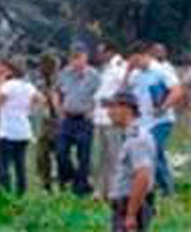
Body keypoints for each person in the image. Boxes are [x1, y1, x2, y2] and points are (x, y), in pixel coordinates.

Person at [125, 44, 183, 195]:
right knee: (154, 153)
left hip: (161, 120)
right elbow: (124, 89)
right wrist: (127, 71)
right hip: (143, 121)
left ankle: (165, 189)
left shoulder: (161, 70)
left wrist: (163, 107)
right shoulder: (136, 74)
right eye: (132, 62)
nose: (135, 65)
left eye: (137, 61)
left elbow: (177, 91)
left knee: (153, 151)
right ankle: (160, 187)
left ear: (145, 55)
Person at [104, 92, 156, 232]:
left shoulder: (137, 139)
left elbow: (143, 176)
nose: (109, 113)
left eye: (112, 107)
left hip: (131, 205)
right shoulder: (128, 137)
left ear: (127, 109)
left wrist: (131, 214)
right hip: (125, 206)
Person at [0, 58, 42, 195]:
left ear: (9, 71)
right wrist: (28, 107)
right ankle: (21, 193)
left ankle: (5, 192)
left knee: (4, 165)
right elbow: (40, 98)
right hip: (23, 130)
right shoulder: (28, 86)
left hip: (8, 131)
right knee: (20, 165)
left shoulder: (8, 86)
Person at [56, 43, 101, 196]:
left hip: (84, 119)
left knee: (83, 155)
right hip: (67, 119)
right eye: (74, 58)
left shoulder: (94, 76)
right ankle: (70, 178)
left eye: (79, 58)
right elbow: (57, 91)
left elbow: (100, 96)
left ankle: (81, 188)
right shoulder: (65, 73)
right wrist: (59, 108)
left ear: (86, 58)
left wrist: (93, 110)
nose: (77, 62)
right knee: (61, 152)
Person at [95, 43, 129, 201]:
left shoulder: (120, 66)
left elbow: (125, 87)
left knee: (115, 155)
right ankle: (103, 190)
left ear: (110, 52)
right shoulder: (106, 68)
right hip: (101, 116)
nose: (99, 55)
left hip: (113, 117)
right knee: (102, 156)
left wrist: (113, 102)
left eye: (101, 52)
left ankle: (118, 190)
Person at [35, 52, 61, 192]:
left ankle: (59, 179)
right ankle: (46, 182)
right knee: (42, 154)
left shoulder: (59, 81)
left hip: (57, 120)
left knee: (58, 152)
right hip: (46, 120)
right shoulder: (41, 82)